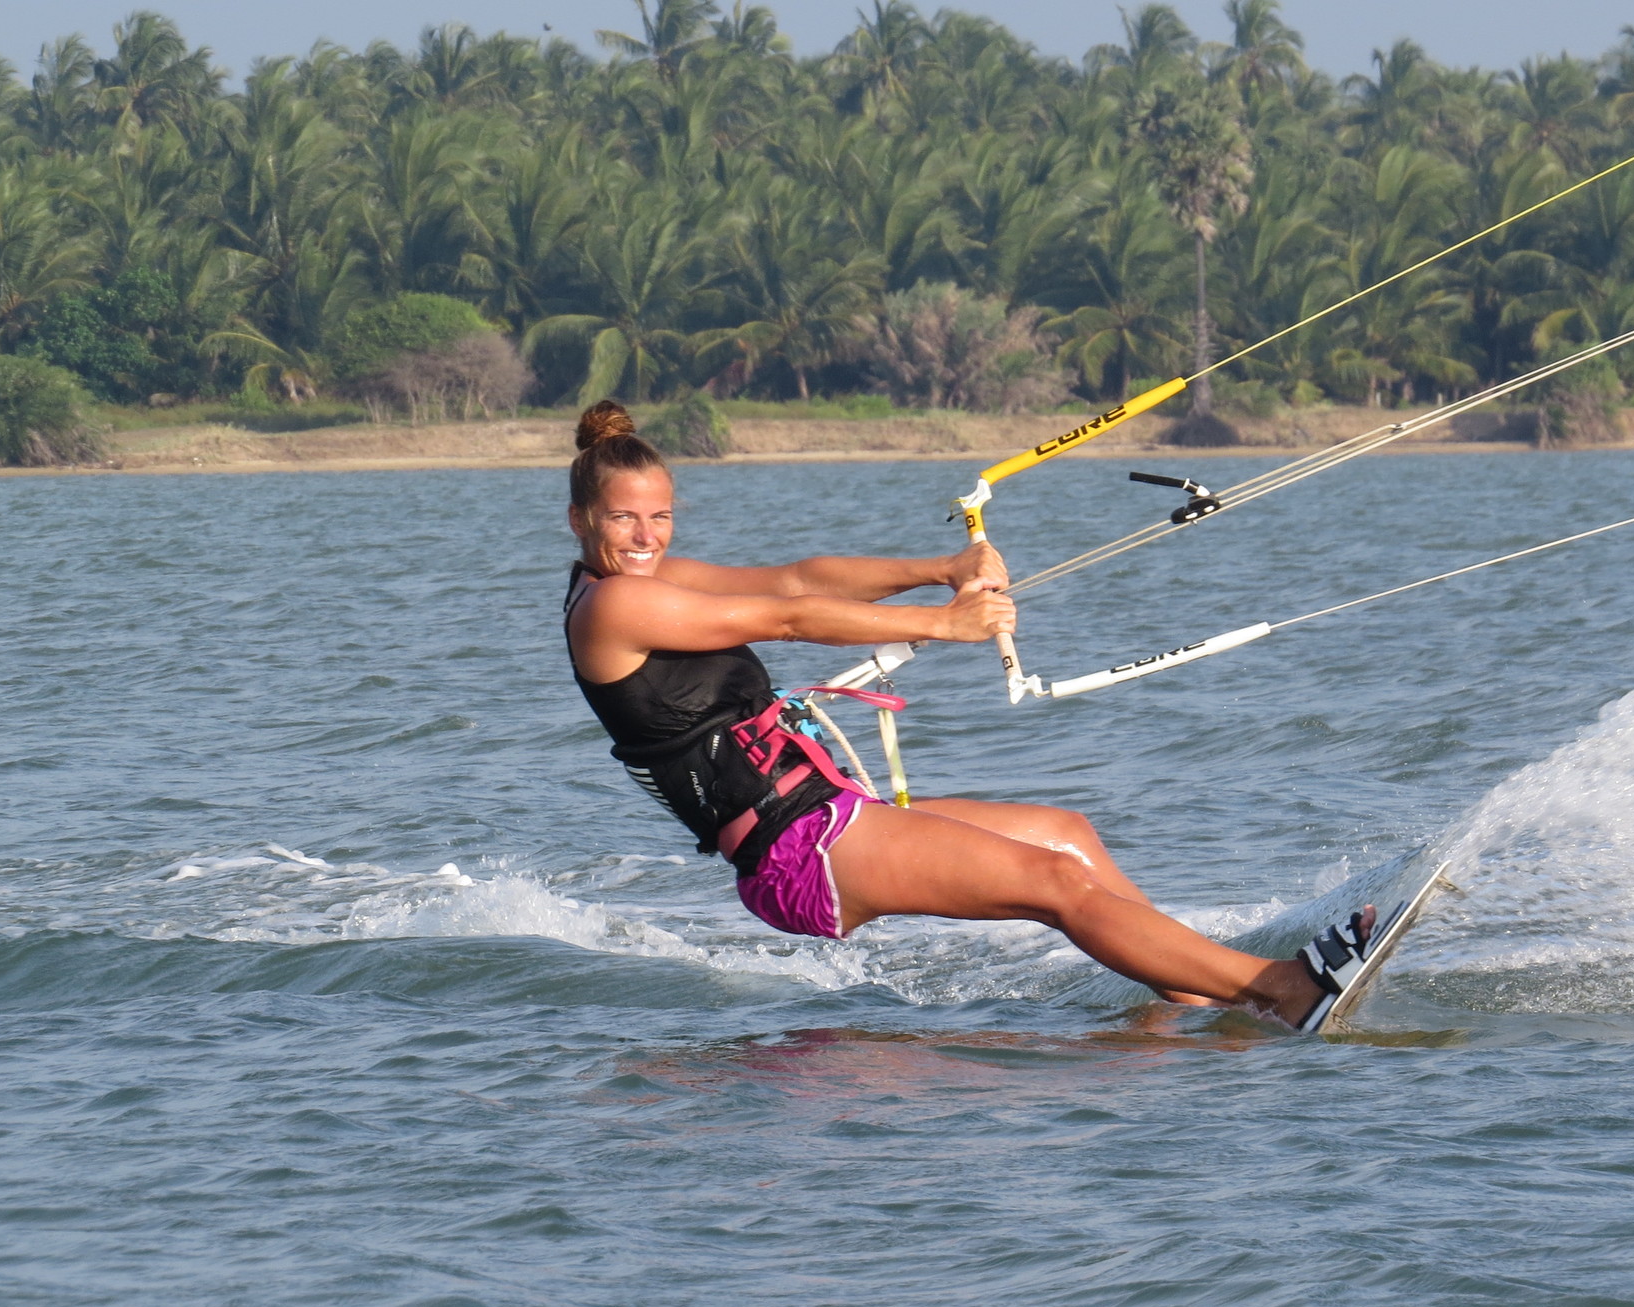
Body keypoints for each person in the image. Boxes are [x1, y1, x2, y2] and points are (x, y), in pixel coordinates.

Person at [560, 400, 1369, 1027]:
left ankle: (1203, 1003)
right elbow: (787, 621)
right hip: (796, 851)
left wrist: (939, 568)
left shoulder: (657, 579)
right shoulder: (611, 613)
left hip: (828, 810)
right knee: (1052, 883)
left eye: (660, 516)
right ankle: (1282, 991)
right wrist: (944, 622)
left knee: (1068, 836)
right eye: (624, 517)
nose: (644, 535)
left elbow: (801, 582)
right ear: (581, 520)